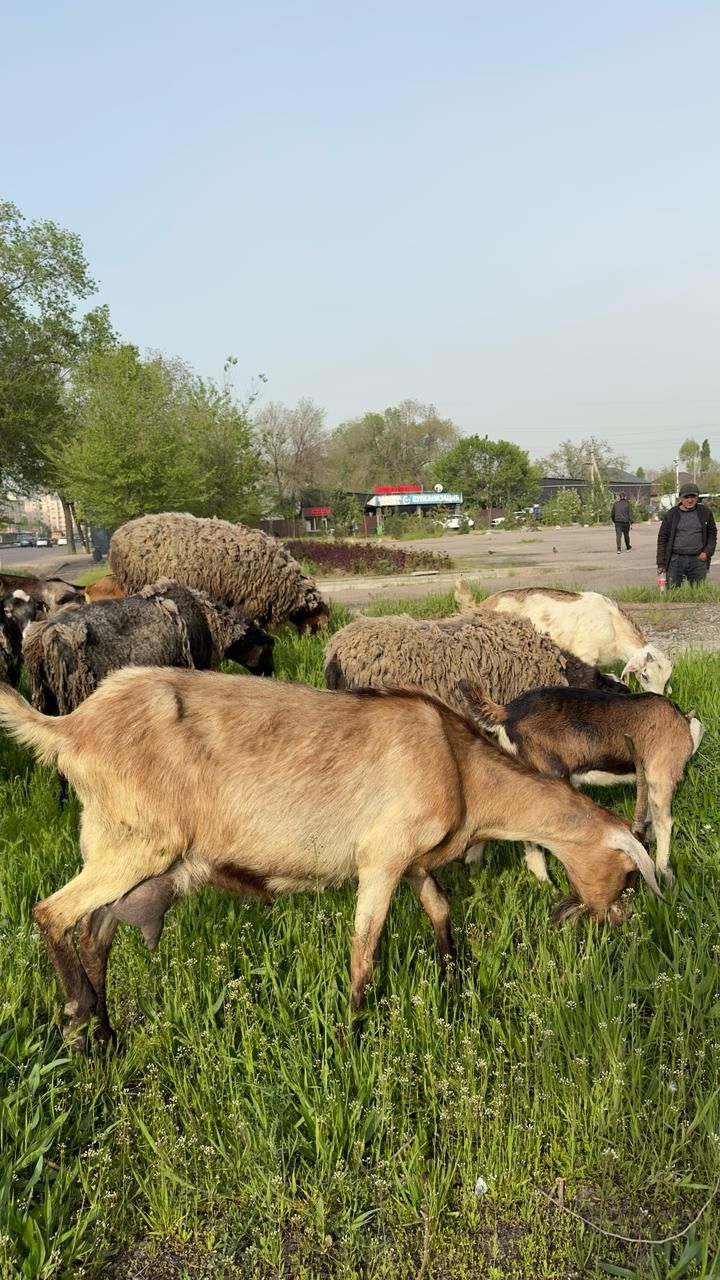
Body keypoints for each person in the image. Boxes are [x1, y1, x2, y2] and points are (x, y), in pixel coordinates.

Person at [656, 483, 717, 588]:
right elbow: (662, 538)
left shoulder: (705, 513)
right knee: (672, 592)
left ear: (697, 497)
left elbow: (712, 534)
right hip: (675, 561)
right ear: (680, 498)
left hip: (698, 561)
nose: (690, 500)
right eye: (686, 497)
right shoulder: (671, 514)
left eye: (693, 497)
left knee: (699, 592)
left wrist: (707, 552)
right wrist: (661, 563)